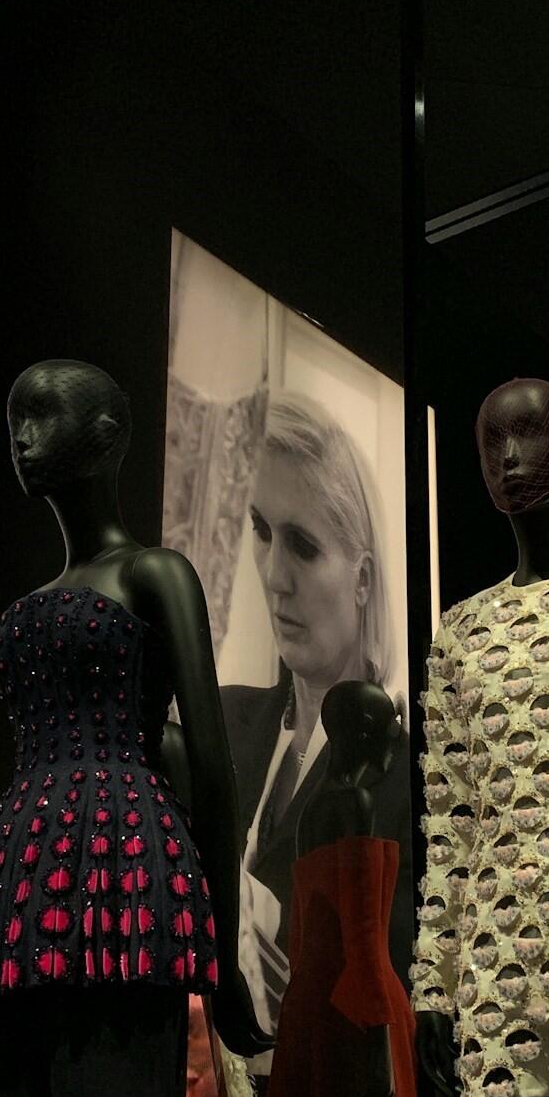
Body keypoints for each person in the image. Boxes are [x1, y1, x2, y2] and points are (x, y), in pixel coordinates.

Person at [224, 393, 411, 1051]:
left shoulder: (405, 776)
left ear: (362, 579)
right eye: (263, 530)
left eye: (303, 546)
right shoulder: (221, 722)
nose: (275, 577)